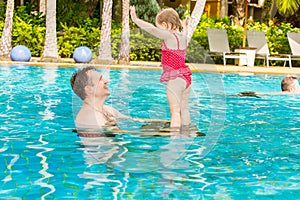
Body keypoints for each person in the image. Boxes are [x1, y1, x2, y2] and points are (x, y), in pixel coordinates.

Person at [130, 6, 192, 130]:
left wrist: (135, 19)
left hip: (175, 79)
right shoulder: (182, 37)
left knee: (175, 112)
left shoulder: (168, 36)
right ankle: (185, 134)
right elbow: (184, 32)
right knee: (184, 109)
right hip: (186, 78)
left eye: (160, 26)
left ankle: (174, 142)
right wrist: (185, 25)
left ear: (165, 24)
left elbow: (151, 29)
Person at [70, 66, 168, 135]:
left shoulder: (107, 110)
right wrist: (175, 133)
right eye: (100, 79)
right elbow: (135, 134)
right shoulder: (91, 118)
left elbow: (135, 121)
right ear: (89, 89)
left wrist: (171, 122)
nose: (106, 81)